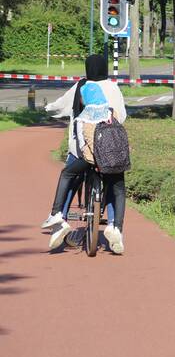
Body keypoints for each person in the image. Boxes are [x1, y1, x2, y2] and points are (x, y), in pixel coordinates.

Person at [41, 54, 128, 254]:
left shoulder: (81, 86)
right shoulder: (113, 87)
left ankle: (59, 218)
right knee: (115, 184)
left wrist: (48, 108)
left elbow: (61, 106)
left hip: (81, 151)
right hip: (109, 152)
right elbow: (121, 116)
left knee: (70, 175)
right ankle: (115, 225)